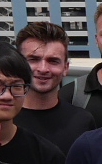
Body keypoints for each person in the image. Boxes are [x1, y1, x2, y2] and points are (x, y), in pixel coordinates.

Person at [13, 20, 96, 156]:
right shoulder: (1, 120)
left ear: (65, 68)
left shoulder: (82, 121)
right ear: (18, 64)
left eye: (53, 61)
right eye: (33, 59)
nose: (43, 69)